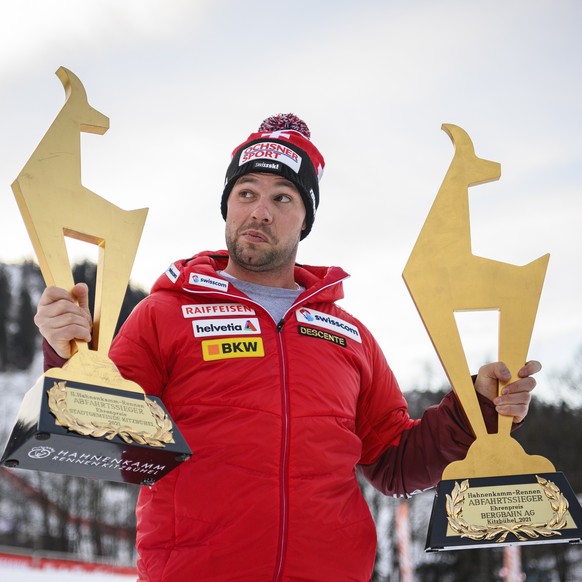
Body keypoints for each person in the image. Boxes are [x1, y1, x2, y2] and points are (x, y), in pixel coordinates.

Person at [36, 114, 541, 582]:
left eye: (282, 198)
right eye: (246, 192)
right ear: (227, 206)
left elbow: (394, 465)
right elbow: (111, 447)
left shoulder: (349, 335)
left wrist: (477, 408)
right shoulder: (166, 313)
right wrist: (68, 354)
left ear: (305, 219)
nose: (259, 211)